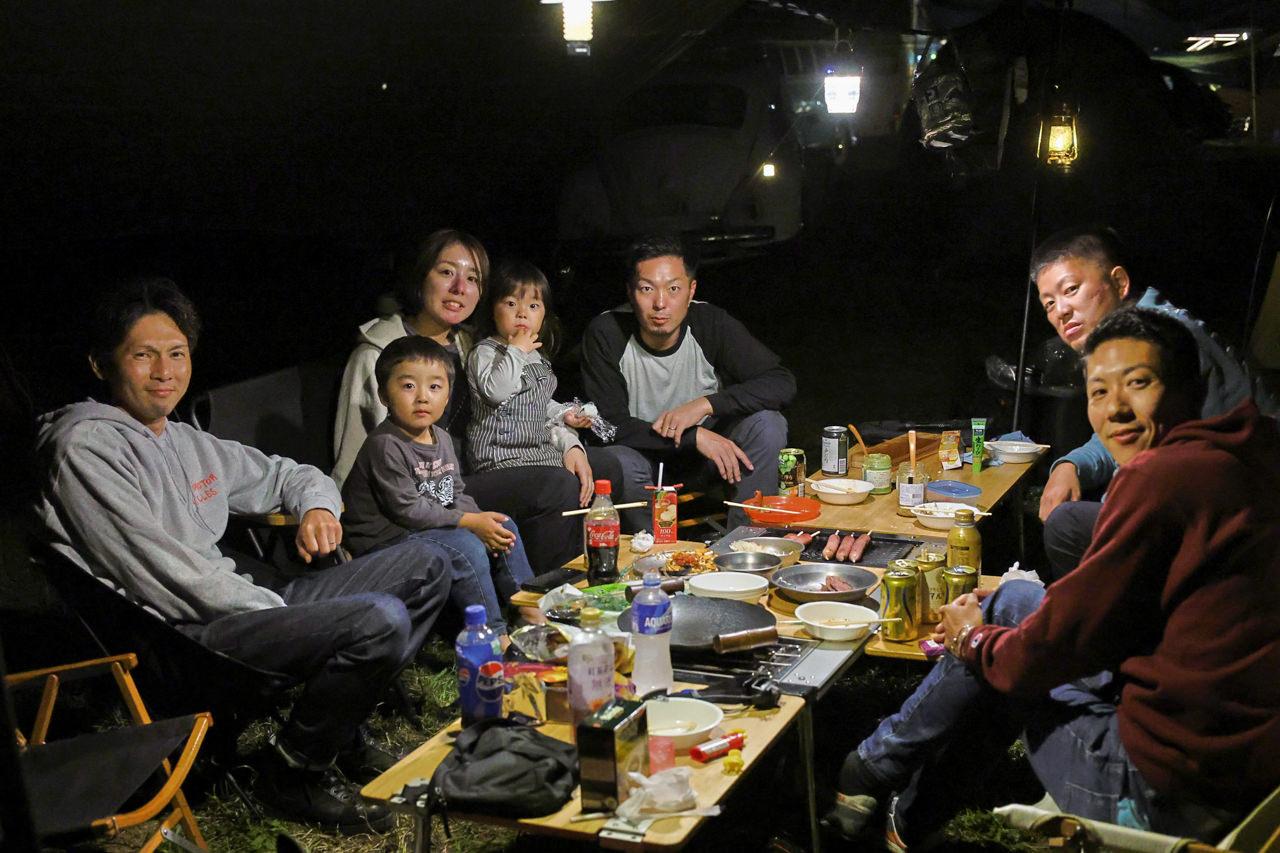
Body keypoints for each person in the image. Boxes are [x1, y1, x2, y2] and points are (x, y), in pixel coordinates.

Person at [824, 307, 1280, 851]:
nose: (1115, 409)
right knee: (1015, 604)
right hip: (1244, 765)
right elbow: (1108, 618)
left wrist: (971, 639)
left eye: (1138, 383)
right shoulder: (1250, 452)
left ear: (1187, 388)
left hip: (1162, 790)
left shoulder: (1162, 477)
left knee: (1003, 654)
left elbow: (1045, 654)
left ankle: (873, 773)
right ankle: (900, 806)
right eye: (1098, 391)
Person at [35, 279, 452, 833]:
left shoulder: (183, 439)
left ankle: (336, 729)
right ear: (101, 363)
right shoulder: (85, 449)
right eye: (143, 355)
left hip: (247, 602)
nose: (164, 371)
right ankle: (293, 769)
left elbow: (287, 474)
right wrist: (286, 612)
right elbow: (166, 575)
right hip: (186, 636)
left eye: (177, 353)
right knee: (380, 618)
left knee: (430, 562)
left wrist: (317, 508)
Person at [1031, 225, 1277, 580]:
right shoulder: (1127, 338)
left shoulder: (1157, 339)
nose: (1061, 311)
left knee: (1065, 525)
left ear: (1119, 283)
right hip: (1198, 502)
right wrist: (1071, 464)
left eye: (1071, 289)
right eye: (1049, 303)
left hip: (1234, 518)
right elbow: (1130, 425)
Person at [334, 230, 590, 570]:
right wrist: (340, 525)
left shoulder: (477, 346)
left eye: (472, 279)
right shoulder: (378, 353)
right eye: (446, 272)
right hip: (420, 493)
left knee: (603, 468)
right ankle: (549, 589)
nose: (459, 288)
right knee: (554, 485)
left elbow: (528, 407)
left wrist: (569, 443)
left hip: (469, 480)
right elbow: (353, 457)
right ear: (421, 276)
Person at [581, 234, 795, 531]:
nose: (660, 303)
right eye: (647, 289)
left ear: (691, 290)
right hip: (643, 459)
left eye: (673, 289)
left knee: (767, 424)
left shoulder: (710, 322)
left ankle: (745, 543)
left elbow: (780, 381)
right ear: (630, 292)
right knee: (615, 460)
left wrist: (705, 405)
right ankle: (647, 551)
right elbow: (609, 424)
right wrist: (691, 436)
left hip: (708, 459)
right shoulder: (607, 332)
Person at [341, 335, 537, 642]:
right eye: (408, 386)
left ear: (447, 397)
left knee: (503, 526)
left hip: (425, 529)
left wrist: (481, 520)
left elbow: (454, 493)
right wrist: (470, 523)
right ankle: (491, 635)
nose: (422, 397)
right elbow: (408, 510)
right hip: (385, 541)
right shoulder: (385, 444)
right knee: (466, 545)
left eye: (434, 387)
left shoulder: (441, 438)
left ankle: (530, 611)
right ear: (384, 395)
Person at [465, 260, 599, 537]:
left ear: (544, 315)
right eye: (511, 303)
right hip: (500, 457)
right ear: (493, 309)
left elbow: (540, 402)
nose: (522, 313)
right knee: (560, 483)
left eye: (533, 306)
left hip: (536, 453)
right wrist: (515, 351)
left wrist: (564, 414)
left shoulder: (535, 355)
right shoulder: (485, 352)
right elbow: (497, 392)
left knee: (603, 468)